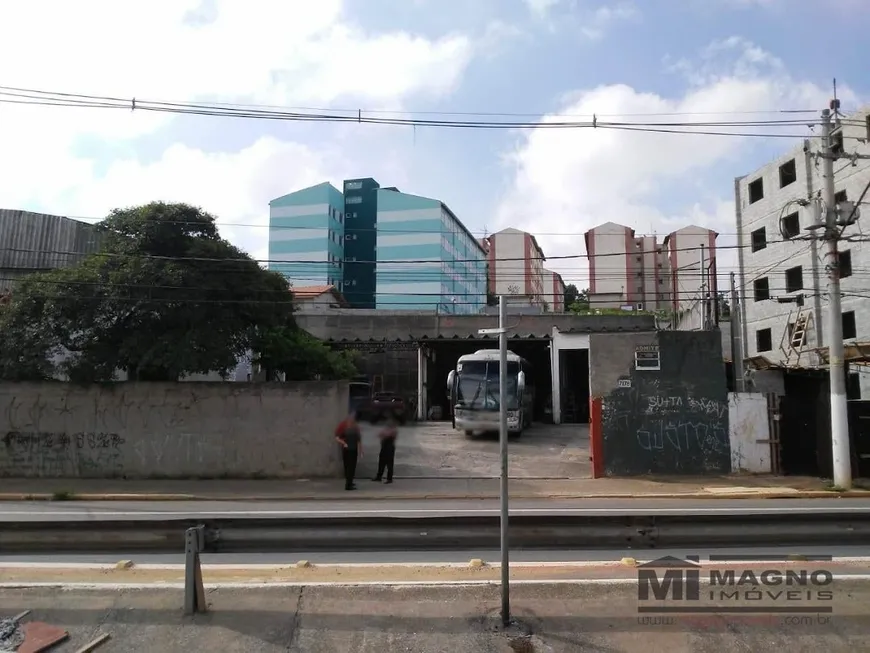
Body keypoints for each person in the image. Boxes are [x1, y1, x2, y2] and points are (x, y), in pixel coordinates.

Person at [335, 411, 363, 490]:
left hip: (354, 449)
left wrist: (361, 450)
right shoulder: (343, 425)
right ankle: (348, 484)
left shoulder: (355, 426)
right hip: (347, 449)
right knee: (348, 466)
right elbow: (337, 437)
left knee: (352, 467)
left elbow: (359, 439)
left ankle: (350, 482)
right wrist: (343, 443)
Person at [372, 417, 398, 484]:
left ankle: (389, 478)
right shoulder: (387, 429)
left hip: (390, 448)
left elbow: (387, 435)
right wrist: (383, 433)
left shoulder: (393, 430)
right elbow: (379, 435)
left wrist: (384, 434)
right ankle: (379, 477)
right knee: (381, 462)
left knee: (389, 464)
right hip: (384, 447)